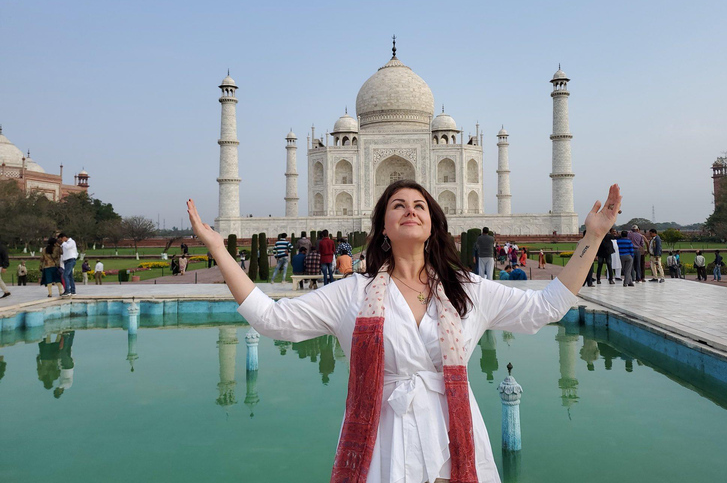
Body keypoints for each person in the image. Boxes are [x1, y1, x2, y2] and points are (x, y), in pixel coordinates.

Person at [186, 180, 621, 482]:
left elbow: (547, 307)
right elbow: (272, 320)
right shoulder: (353, 294)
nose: (410, 210)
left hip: (453, 439)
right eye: (398, 205)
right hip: (383, 445)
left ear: (433, 223)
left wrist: (593, 237)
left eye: (419, 205)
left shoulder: (467, 289)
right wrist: (220, 250)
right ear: (383, 227)